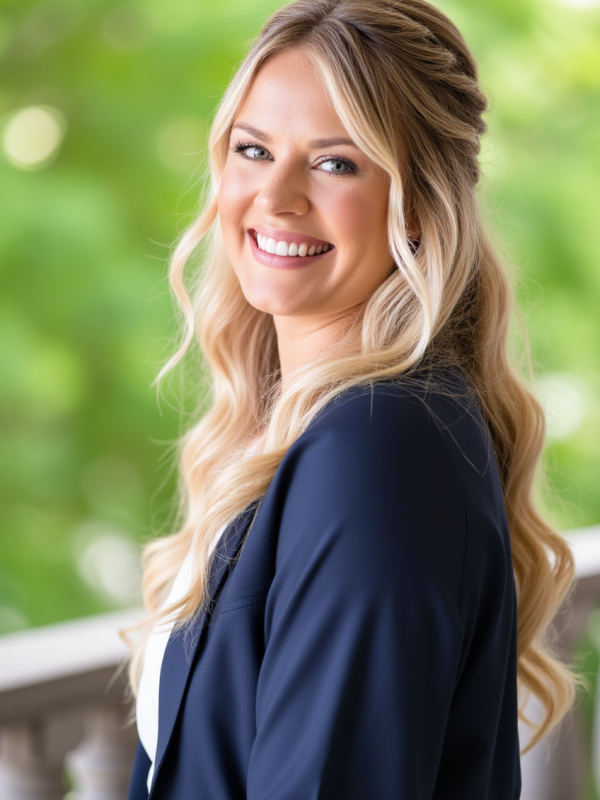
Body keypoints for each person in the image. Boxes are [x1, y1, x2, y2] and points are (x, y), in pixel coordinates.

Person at [123, 1, 579, 797]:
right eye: (253, 150)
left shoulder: (378, 450)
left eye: (336, 163)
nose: (276, 197)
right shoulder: (335, 430)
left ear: (422, 203)